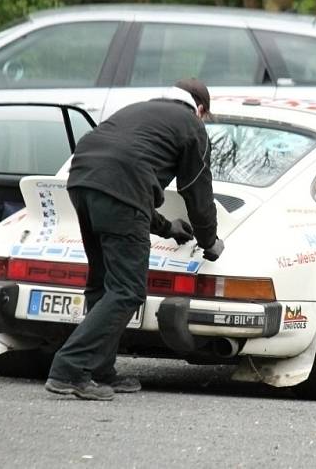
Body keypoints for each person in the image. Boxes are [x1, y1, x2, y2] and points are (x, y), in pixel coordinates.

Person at [45, 78, 224, 401]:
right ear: (200, 109)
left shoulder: (138, 111)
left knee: (102, 284)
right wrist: (209, 239)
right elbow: (196, 191)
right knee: (128, 291)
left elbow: (126, 186)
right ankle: (69, 368)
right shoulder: (191, 126)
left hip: (81, 182)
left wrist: (168, 227)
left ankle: (99, 370)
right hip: (118, 191)